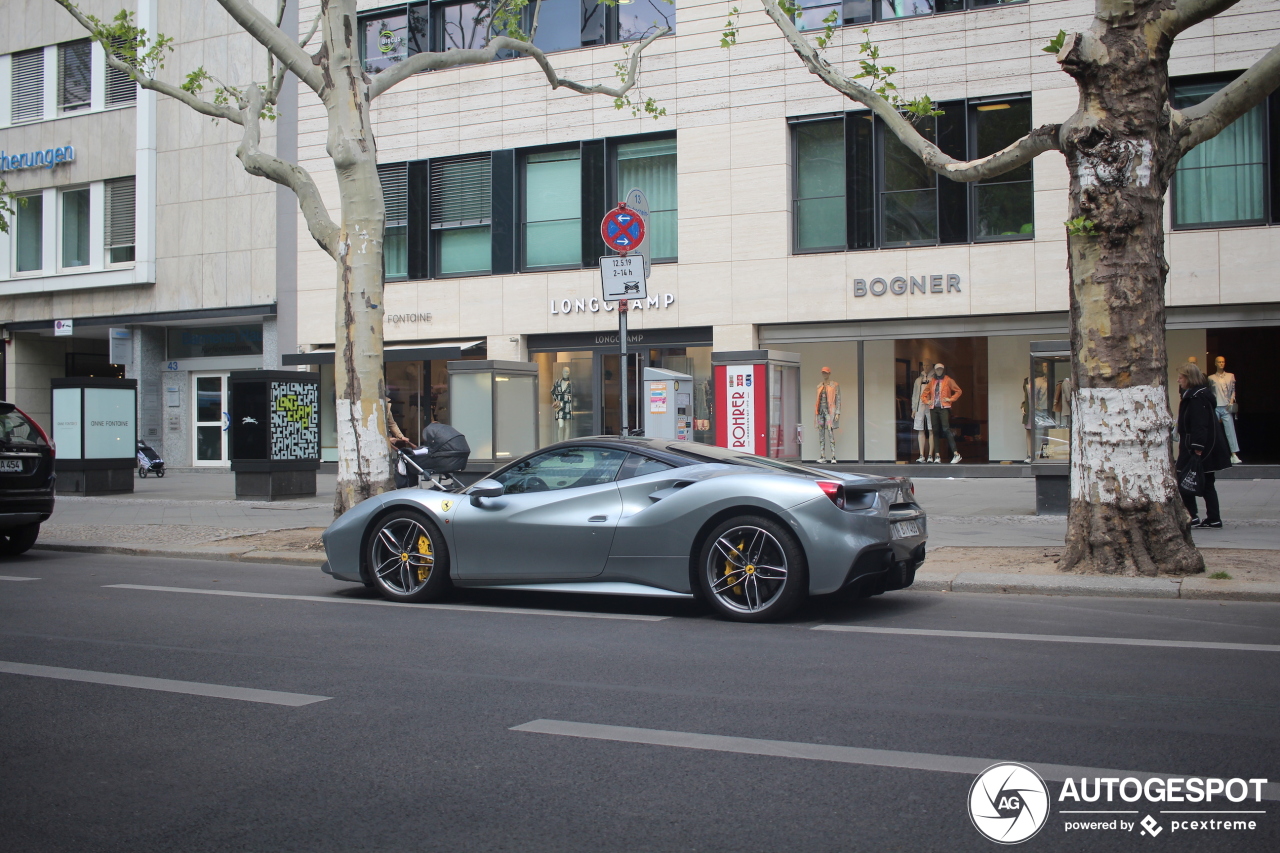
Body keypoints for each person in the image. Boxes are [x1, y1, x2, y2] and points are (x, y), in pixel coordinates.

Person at [1176, 362, 1232, 529]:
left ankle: (1193, 515)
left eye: (1181, 377)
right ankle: (1212, 517)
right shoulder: (1198, 395)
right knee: (1206, 481)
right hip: (1200, 446)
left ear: (1189, 378)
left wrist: (1197, 447)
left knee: (1184, 477)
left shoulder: (1196, 397)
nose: (1178, 380)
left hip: (1196, 447)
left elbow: (1200, 424)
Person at [920, 363, 963, 463]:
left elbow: (958, 391)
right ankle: (937, 455)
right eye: (937, 369)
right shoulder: (932, 381)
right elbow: (923, 395)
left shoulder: (948, 380)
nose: (939, 371)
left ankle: (956, 453)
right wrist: (928, 401)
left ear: (943, 370)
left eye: (941, 369)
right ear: (935, 370)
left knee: (946, 429)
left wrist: (950, 399)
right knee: (935, 430)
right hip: (934, 408)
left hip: (944, 407)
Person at [1208, 355, 1241, 464]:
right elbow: (1211, 393)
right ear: (1216, 363)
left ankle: (1234, 455)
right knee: (1213, 430)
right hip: (1216, 407)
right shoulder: (1211, 378)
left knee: (1230, 431)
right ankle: (1212, 454)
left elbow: (1233, 390)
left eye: (1223, 362)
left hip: (1226, 407)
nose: (1222, 364)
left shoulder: (1231, 376)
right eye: (1219, 362)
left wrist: (1231, 401)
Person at [912, 364, 933, 463]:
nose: (926, 367)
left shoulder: (934, 379)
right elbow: (915, 394)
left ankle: (930, 455)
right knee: (920, 429)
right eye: (924, 365)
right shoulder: (918, 380)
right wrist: (914, 408)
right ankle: (921, 454)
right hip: (920, 405)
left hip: (930, 404)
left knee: (931, 429)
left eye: (928, 365)